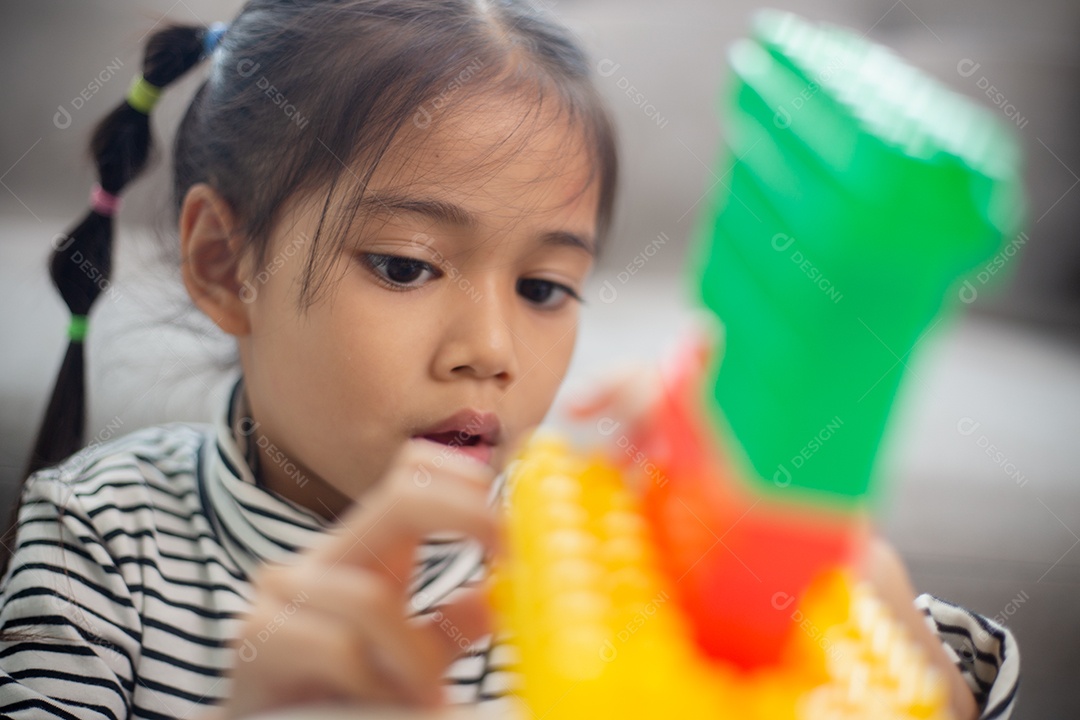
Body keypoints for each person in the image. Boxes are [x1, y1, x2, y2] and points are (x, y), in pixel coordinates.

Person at [0, 2, 1016, 719]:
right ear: (225, 264)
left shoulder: (609, 562)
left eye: (543, 289)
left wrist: (911, 666)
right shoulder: (98, 545)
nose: (489, 352)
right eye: (404, 266)